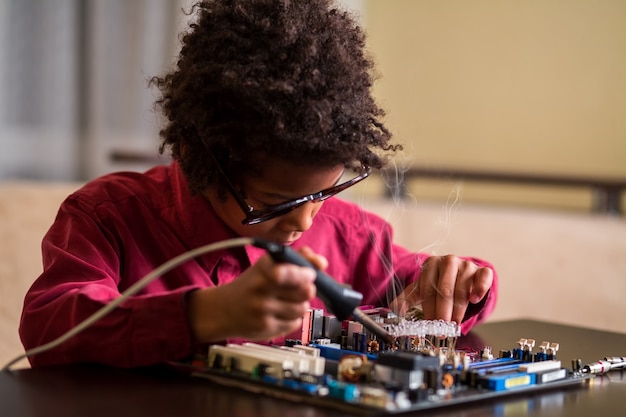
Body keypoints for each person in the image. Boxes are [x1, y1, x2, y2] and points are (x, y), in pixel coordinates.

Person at [19, 0, 497, 368]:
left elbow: (425, 283)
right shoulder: (109, 216)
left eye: (324, 193)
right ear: (200, 160)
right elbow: (49, 325)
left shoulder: (351, 235)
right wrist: (203, 315)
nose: (305, 220)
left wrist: (457, 283)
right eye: (275, 202)